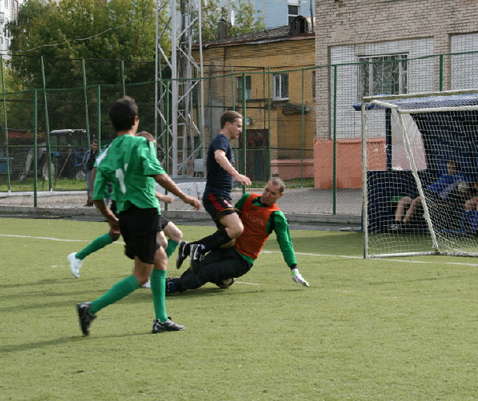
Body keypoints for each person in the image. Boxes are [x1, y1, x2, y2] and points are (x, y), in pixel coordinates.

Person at [76, 96, 201, 336]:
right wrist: (185, 197)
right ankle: (90, 308)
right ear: (135, 120)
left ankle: (161, 319)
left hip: (126, 215)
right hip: (143, 213)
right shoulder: (141, 145)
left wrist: (111, 218)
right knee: (141, 274)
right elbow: (159, 175)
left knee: (160, 259)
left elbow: (98, 196)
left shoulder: (107, 153)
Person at [166, 177, 310, 294]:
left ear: (280, 196)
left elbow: (286, 243)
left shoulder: (276, 216)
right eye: (266, 190)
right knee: (199, 265)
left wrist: (294, 268)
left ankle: (174, 287)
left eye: (272, 193)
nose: (267, 195)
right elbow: (231, 219)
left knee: (209, 271)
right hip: (228, 248)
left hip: (242, 260)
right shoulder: (248, 198)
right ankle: (182, 281)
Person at [175, 110, 252, 268]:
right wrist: (236, 174)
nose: (240, 130)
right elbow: (219, 156)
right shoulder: (221, 139)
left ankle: (190, 249)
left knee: (229, 241)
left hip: (221, 196)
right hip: (215, 195)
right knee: (237, 228)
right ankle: (199, 249)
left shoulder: (225, 142)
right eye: (238, 126)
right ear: (227, 124)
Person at [390, 160, 469, 231]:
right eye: (449, 168)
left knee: (415, 201)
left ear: (456, 168)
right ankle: (397, 223)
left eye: (452, 168)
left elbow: (471, 185)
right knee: (402, 201)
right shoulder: (445, 175)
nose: (450, 170)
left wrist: (465, 187)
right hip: (424, 191)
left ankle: (403, 224)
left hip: (434, 195)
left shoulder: (460, 177)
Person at [83, 139, 99, 207]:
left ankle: (96, 202)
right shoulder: (88, 152)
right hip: (90, 170)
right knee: (89, 186)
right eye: (93, 145)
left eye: (96, 145)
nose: (94, 147)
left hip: (97, 171)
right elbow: (84, 160)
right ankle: (89, 202)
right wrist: (86, 168)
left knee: (96, 186)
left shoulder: (99, 153)